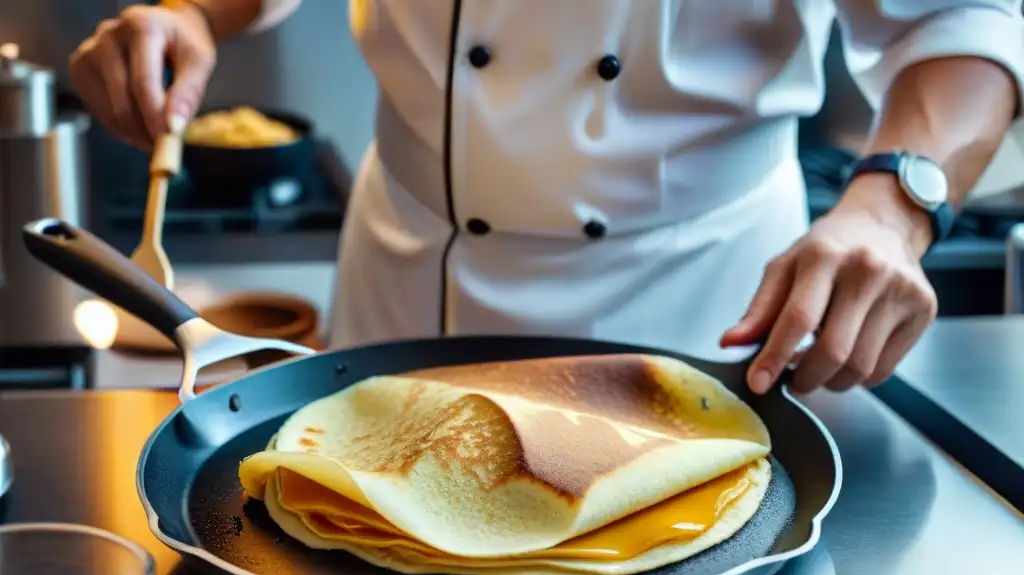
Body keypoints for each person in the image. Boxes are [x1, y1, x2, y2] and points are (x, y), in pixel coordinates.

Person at [70, 0, 1023, 395]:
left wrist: (890, 208)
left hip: (700, 309)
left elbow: (957, 16)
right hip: (406, 287)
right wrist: (188, 12)